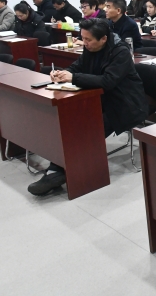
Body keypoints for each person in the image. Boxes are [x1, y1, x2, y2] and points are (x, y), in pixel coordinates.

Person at [29, 18, 147, 195]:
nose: (84, 43)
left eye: (88, 39)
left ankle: (58, 173)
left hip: (124, 105)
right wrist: (64, 73)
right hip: (98, 100)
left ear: (104, 38)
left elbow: (108, 81)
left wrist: (74, 78)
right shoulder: (90, 48)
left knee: (86, 130)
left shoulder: (120, 52)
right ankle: (58, 170)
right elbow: (78, 66)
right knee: (69, 123)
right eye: (83, 38)